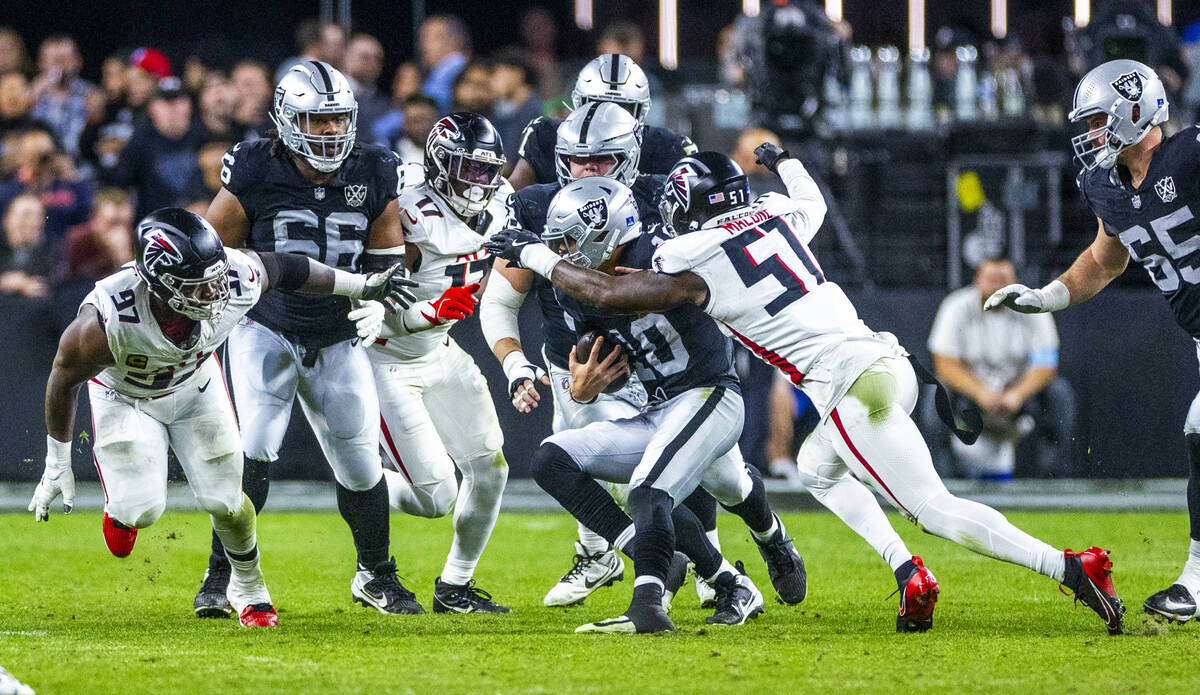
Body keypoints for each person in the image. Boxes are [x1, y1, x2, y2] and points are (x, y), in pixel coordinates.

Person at [486, 146, 1125, 636]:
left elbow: (604, 292)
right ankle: (908, 572)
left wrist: (535, 255)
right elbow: (812, 202)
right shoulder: (778, 214)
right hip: (883, 364)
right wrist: (786, 160)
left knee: (933, 508)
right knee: (819, 468)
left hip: (847, 382)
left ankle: (1070, 567)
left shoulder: (690, 253)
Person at [28, 207, 415, 627]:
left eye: (214, 279)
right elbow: (63, 381)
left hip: (196, 387)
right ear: (161, 284)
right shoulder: (107, 320)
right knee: (140, 511)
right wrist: (56, 464)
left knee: (228, 500)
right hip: (127, 397)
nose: (214, 293)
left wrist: (360, 286)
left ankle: (249, 587)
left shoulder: (235, 277)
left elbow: (288, 268)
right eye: (198, 287)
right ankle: (121, 509)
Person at [514, 176, 800, 633]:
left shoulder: (666, 254)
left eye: (571, 240)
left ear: (602, 233)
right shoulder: (581, 287)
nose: (565, 251)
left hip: (711, 395)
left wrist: (534, 255)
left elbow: (609, 294)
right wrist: (585, 390)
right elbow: (603, 363)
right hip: (659, 408)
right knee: (552, 458)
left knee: (698, 489)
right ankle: (727, 581)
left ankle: (661, 598)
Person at [190, 60, 421, 618]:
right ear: (288, 121)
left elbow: (390, 259)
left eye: (338, 119)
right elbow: (209, 253)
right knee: (255, 450)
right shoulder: (254, 167)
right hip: (266, 326)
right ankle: (221, 576)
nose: (330, 132)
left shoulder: (375, 167)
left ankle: (376, 576)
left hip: (340, 333)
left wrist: (376, 304)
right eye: (316, 122)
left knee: (361, 466)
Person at [481, 102, 727, 610]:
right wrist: (515, 366)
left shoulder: (665, 199)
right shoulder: (535, 204)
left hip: (667, 365)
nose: (587, 172)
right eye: (577, 160)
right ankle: (615, 555)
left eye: (603, 161)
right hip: (581, 361)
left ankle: (735, 554)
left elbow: (706, 292)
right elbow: (500, 302)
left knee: (719, 475)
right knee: (592, 466)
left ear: (631, 157)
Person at [986, 59, 1200, 625]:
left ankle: (1197, 582)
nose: (1090, 134)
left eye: (1100, 120)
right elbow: (1105, 262)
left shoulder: (1190, 154)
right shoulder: (1106, 184)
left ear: (1136, 110)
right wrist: (1044, 298)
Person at [352, 112, 513, 613]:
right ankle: (358, 482)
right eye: (469, 169)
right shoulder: (407, 210)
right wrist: (430, 312)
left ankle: (456, 586)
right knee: (436, 497)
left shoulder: (501, 202)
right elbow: (368, 313)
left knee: (491, 469)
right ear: (441, 165)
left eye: (489, 171)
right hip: (388, 361)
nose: (481, 182)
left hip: (441, 352)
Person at [930, 258, 1075, 480]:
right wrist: (980, 393)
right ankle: (943, 479)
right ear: (977, 280)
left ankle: (1054, 481)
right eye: (991, 280)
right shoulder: (956, 306)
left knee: (1059, 393)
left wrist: (1017, 394)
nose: (997, 287)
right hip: (971, 395)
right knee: (936, 393)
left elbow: (1046, 364)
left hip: (1018, 396)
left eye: (1003, 281)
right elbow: (945, 363)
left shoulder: (1034, 305)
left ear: (1015, 282)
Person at [508, 54, 695, 190]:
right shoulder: (547, 135)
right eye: (598, 104)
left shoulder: (667, 146)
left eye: (621, 107)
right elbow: (512, 197)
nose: (608, 115)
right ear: (578, 104)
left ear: (641, 111)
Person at [101, 77, 205, 219]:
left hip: (201, 223)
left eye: (178, 101)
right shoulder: (141, 140)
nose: (172, 108)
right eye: (166, 102)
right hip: (155, 226)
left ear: (189, 105)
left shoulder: (203, 136)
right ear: (153, 108)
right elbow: (118, 182)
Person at [489, 50, 544, 164]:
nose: (491, 80)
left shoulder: (538, 111)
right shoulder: (496, 110)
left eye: (496, 73)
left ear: (517, 74)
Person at [418, 15, 471, 114]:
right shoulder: (438, 70)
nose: (424, 45)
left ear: (455, 40)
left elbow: (426, 104)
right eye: (422, 39)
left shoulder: (455, 64)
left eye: (433, 38)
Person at [342, 34, 389, 136]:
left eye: (377, 59)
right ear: (346, 58)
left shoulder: (386, 104)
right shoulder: (332, 94)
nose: (372, 63)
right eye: (365, 57)